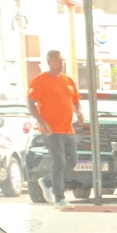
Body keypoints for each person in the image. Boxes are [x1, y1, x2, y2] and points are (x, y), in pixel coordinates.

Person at [26, 50, 84, 206]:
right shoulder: (40, 80)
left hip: (68, 129)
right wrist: (41, 122)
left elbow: (75, 101)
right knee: (59, 162)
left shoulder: (68, 80)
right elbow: (30, 103)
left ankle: (47, 181)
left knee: (72, 162)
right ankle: (59, 198)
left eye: (62, 60)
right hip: (51, 130)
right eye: (58, 60)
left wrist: (79, 113)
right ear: (50, 62)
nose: (61, 63)